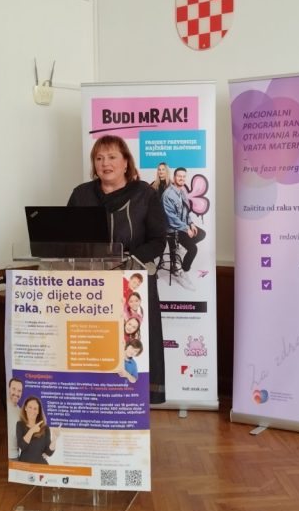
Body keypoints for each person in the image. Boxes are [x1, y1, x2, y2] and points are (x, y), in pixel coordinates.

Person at [68, 134, 167, 403]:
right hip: (92, 286)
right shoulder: (81, 195)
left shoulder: (145, 194)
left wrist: (128, 262)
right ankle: (96, 399)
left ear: (126, 163)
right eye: (99, 158)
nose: (105, 163)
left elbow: (158, 240)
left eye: (112, 157)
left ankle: (134, 400)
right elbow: (68, 239)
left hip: (133, 284)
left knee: (130, 343)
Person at [161, 167, 206, 291]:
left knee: (201, 234)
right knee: (193, 249)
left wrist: (191, 224)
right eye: (179, 176)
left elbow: (185, 213)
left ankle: (180, 249)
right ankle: (182, 271)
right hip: (172, 230)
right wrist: (186, 229)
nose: (182, 178)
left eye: (184, 176)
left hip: (182, 226)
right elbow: (171, 219)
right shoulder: (168, 195)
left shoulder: (181, 192)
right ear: (174, 177)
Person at [16, 396, 57, 464]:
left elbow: (49, 452)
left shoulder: (45, 428)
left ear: (38, 411)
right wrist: (32, 430)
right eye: (30, 407)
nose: (32, 411)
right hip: (24, 465)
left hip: (40, 466)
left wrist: (55, 439)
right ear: (25, 408)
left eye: (35, 409)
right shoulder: (20, 424)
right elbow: (22, 446)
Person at [6, 377, 23, 459]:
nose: (16, 393)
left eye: (19, 391)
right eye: (14, 389)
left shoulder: (20, 411)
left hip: (16, 456)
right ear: (9, 389)